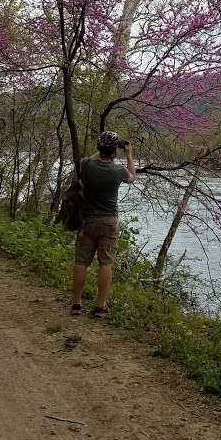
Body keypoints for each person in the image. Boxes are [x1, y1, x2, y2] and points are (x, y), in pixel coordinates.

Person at [71, 130, 137, 317]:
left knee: (81, 261)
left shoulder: (87, 165)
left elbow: (89, 159)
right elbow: (133, 176)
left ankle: (76, 303)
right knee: (105, 263)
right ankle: (100, 306)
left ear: (99, 148)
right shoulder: (118, 171)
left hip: (88, 221)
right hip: (108, 222)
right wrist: (129, 154)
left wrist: (102, 148)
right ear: (114, 151)